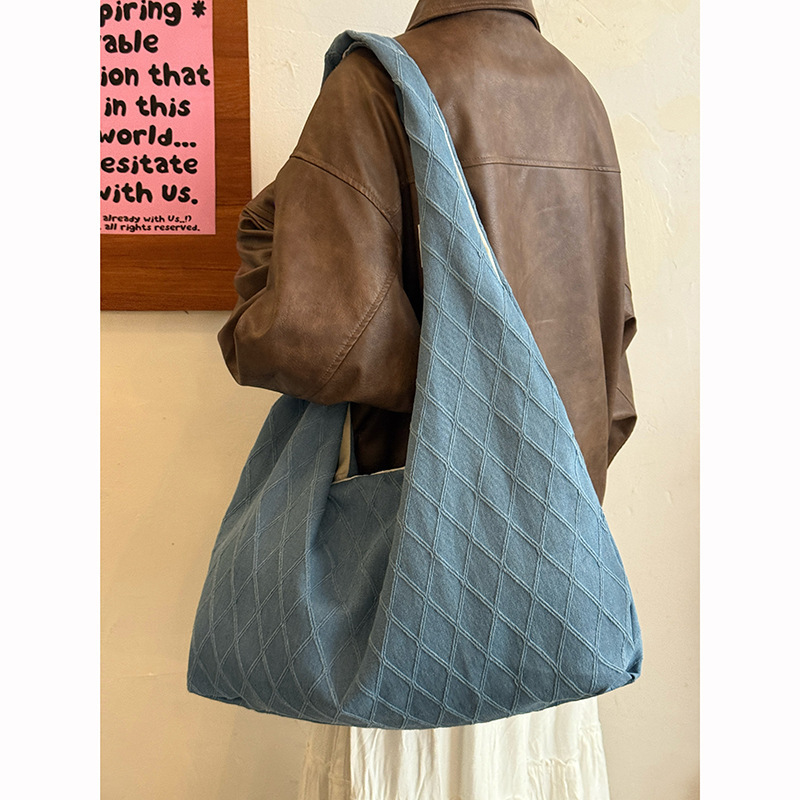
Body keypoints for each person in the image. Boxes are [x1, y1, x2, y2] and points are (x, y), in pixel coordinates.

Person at [218, 1, 637, 797]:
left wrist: (263, 267)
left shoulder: (374, 84)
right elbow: (611, 354)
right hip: (552, 579)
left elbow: (308, 331)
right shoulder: (578, 96)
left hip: (417, 587)